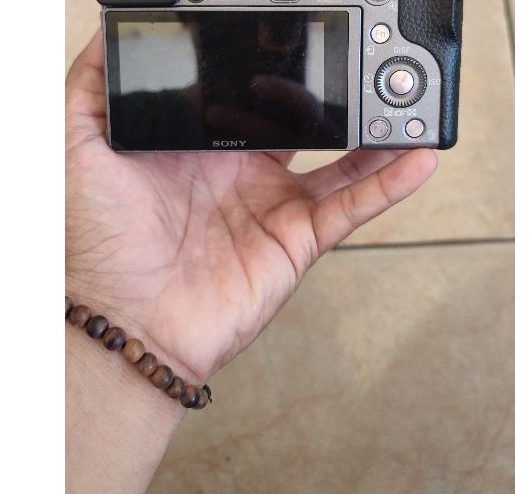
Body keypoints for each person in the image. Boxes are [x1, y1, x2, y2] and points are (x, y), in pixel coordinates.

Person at [65, 29, 438, 493]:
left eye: (283, 36)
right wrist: (114, 304)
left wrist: (118, 312)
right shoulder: (144, 110)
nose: (268, 45)